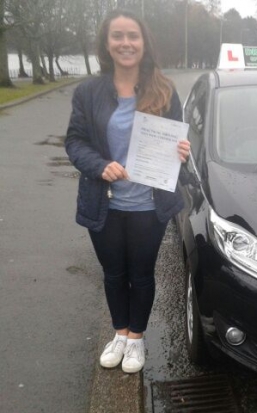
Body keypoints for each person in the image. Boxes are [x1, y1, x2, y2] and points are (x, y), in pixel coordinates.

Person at [65, 9, 191, 374]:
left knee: (142, 274)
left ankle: (136, 339)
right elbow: (75, 142)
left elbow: (178, 144)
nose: (125, 43)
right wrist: (99, 165)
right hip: (103, 204)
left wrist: (183, 152)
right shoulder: (88, 92)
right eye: (117, 36)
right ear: (107, 43)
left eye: (132, 36)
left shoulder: (164, 90)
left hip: (147, 206)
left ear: (143, 42)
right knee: (113, 273)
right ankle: (119, 333)